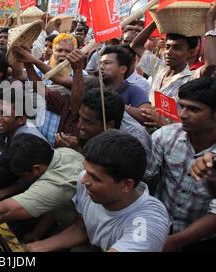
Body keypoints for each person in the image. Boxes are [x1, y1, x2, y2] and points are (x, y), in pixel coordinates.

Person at [23, 130, 170, 252]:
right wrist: (35, 248)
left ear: (126, 185)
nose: (83, 180)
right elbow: (82, 228)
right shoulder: (87, 184)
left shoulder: (147, 224)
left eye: (95, 177)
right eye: (86, 170)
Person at [144, 77, 216, 251]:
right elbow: (145, 178)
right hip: (159, 227)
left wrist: (174, 242)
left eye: (193, 109)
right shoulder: (165, 136)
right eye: (182, 106)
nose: (182, 114)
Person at [99, 46, 151, 124]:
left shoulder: (134, 91)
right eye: (100, 63)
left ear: (122, 69)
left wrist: (118, 105)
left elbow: (147, 117)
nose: (101, 67)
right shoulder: (94, 87)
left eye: (107, 63)